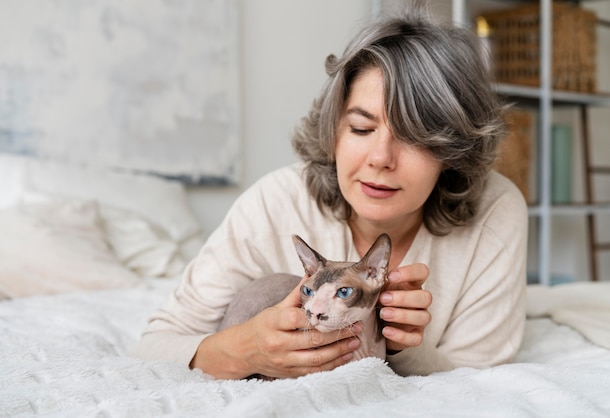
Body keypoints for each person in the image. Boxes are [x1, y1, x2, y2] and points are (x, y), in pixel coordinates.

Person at [133, 7, 528, 380]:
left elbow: (481, 382)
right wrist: (246, 349)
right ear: (334, 129)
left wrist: (404, 348)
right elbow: (154, 347)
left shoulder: (495, 209)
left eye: (415, 138)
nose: (380, 158)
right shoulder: (274, 204)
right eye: (360, 128)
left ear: (453, 151)